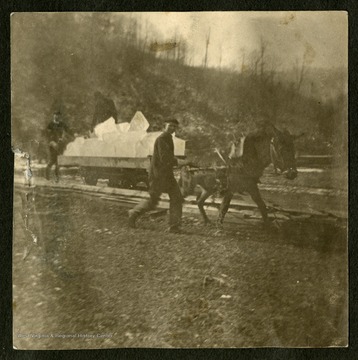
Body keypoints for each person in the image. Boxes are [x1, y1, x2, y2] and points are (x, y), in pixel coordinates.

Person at [128, 118, 184, 233]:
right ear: (165, 126)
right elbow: (165, 158)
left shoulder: (168, 138)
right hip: (158, 175)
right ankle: (134, 213)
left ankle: (174, 226)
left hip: (167, 175)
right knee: (153, 201)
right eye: (170, 126)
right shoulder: (162, 139)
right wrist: (181, 162)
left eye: (174, 127)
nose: (172, 128)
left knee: (177, 197)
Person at [45, 111, 72, 181]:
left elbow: (68, 131)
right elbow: (48, 135)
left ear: (60, 117)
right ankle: (47, 176)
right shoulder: (50, 124)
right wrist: (52, 142)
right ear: (53, 116)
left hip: (60, 144)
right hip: (52, 144)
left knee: (58, 161)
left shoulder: (62, 124)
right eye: (55, 115)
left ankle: (57, 177)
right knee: (52, 160)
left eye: (58, 116)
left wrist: (63, 138)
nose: (56, 117)